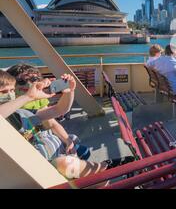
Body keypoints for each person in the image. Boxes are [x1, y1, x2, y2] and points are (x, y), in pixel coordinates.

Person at [0, 70, 134, 180]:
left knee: (87, 173)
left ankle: (106, 172)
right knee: (68, 165)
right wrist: (28, 97)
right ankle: (107, 168)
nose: (11, 95)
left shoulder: (22, 113)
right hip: (47, 167)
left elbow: (60, 110)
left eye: (12, 90)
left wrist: (69, 91)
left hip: (60, 152)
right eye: (4, 92)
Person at [7, 64, 90, 160]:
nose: (29, 84)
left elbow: (54, 117)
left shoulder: (37, 100)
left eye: (34, 80)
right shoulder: (10, 106)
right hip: (29, 147)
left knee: (83, 151)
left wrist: (69, 91)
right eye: (21, 81)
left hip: (41, 136)